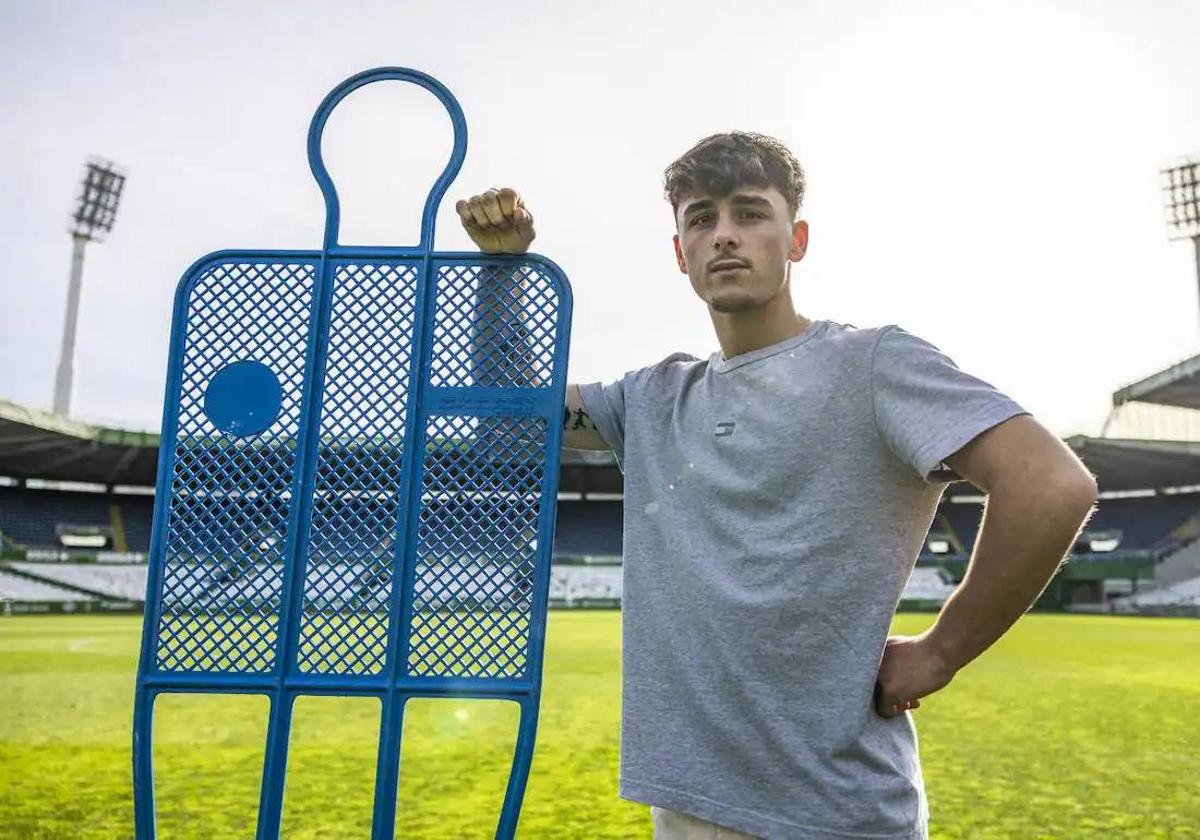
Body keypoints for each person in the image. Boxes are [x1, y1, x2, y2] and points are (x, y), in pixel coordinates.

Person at [455, 133, 1098, 840]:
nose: (724, 235)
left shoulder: (872, 363)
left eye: (749, 213)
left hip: (835, 813)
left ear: (796, 239)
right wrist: (504, 273)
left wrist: (941, 651)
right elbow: (507, 419)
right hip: (688, 804)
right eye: (701, 218)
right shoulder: (653, 398)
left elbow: (1050, 485)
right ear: (680, 254)